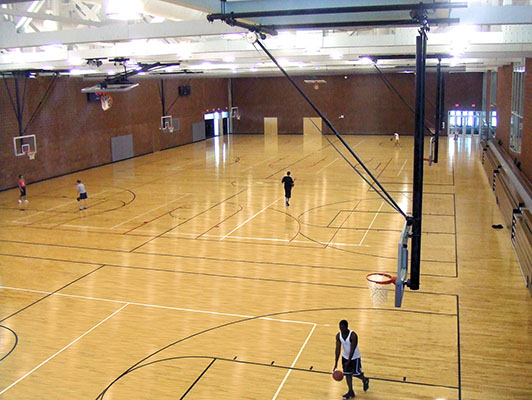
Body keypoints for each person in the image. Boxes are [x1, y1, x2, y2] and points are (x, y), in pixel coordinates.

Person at [334, 320, 369, 399]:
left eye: (342, 328)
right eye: (340, 328)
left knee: (357, 374)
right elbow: (338, 349)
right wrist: (336, 363)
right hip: (345, 357)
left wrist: (349, 361)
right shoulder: (338, 336)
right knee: (347, 374)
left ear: (346, 327)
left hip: (355, 357)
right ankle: (351, 391)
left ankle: (365, 379)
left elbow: (352, 350)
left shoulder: (353, 335)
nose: (341, 330)